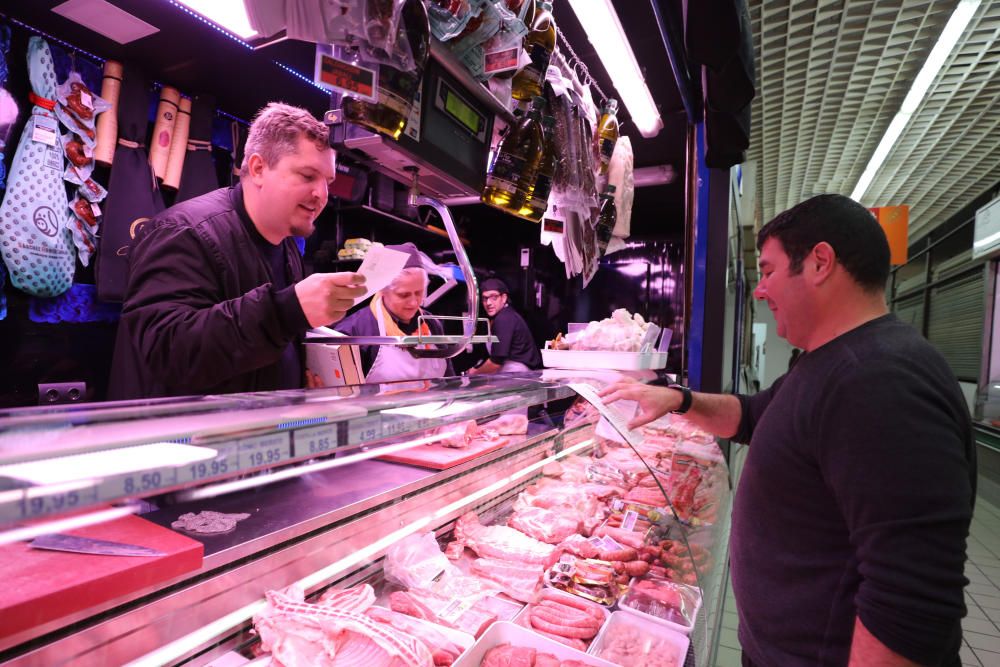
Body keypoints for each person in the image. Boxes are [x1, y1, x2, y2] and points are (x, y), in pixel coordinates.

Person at [601, 194, 975, 667]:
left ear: (820, 262)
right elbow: (754, 415)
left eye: (769, 270)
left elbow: (911, 599)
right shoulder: (830, 363)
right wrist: (680, 399)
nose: (760, 290)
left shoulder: (879, 380)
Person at [109, 103, 366, 399]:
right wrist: (286, 311)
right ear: (258, 168)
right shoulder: (183, 232)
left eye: (327, 182)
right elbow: (168, 354)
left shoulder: (286, 247)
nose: (321, 195)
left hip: (252, 439)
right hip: (180, 442)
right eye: (308, 176)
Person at [334, 242, 453, 383]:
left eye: (419, 293)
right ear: (382, 290)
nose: (414, 303)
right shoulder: (354, 331)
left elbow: (449, 383)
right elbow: (347, 396)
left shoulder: (432, 324)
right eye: (404, 295)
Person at [469, 277, 541, 374]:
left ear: (504, 298)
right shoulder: (506, 314)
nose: (488, 303)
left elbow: (496, 362)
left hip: (519, 374)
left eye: (494, 297)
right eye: (485, 298)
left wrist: (473, 373)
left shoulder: (504, 318)